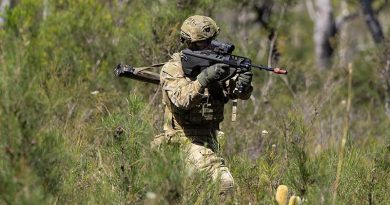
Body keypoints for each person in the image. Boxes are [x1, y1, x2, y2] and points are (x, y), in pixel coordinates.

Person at [151, 15, 253, 197]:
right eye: (201, 44)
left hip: (210, 139)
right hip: (184, 139)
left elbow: (237, 93)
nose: (208, 47)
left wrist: (243, 85)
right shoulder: (173, 68)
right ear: (188, 43)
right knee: (224, 184)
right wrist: (204, 78)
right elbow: (182, 100)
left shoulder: (216, 63)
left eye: (210, 41)